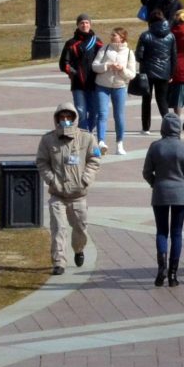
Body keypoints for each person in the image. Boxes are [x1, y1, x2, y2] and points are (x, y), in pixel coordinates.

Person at [36, 105, 96, 275]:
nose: (65, 120)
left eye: (68, 117)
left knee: (80, 228)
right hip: (58, 194)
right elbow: (42, 162)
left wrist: (86, 179)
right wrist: (51, 180)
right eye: (61, 117)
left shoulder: (87, 138)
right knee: (58, 228)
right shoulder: (48, 140)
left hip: (78, 195)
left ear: (74, 117)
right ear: (56, 119)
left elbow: (94, 159)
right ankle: (59, 261)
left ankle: (78, 249)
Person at [142, 111, 184, 288]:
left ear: (163, 128)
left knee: (161, 231)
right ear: (178, 129)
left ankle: (161, 269)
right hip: (180, 193)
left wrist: (154, 183)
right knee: (177, 232)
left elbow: (146, 172)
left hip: (160, 192)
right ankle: (173, 273)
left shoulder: (155, 146)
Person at [91, 27, 134, 157]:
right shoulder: (104, 49)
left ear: (122, 37)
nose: (112, 37)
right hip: (102, 85)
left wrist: (121, 70)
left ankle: (119, 143)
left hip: (120, 86)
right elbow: (94, 66)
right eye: (111, 35)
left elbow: (132, 74)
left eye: (114, 35)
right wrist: (107, 66)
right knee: (102, 114)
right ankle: (101, 142)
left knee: (119, 116)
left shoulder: (128, 52)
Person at [58, 15, 103, 134]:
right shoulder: (70, 43)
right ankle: (84, 136)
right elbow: (63, 64)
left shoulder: (97, 42)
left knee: (94, 112)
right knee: (81, 111)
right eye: (82, 23)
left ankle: (88, 131)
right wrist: (75, 73)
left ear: (90, 24)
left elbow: (104, 59)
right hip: (78, 84)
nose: (85, 25)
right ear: (78, 25)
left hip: (94, 82)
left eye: (87, 23)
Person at [134, 14, 177, 133]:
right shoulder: (170, 36)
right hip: (164, 72)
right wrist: (171, 74)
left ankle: (146, 127)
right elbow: (174, 56)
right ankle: (168, 126)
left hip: (147, 72)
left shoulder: (145, 35)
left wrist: (146, 61)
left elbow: (139, 55)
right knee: (162, 100)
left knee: (146, 100)